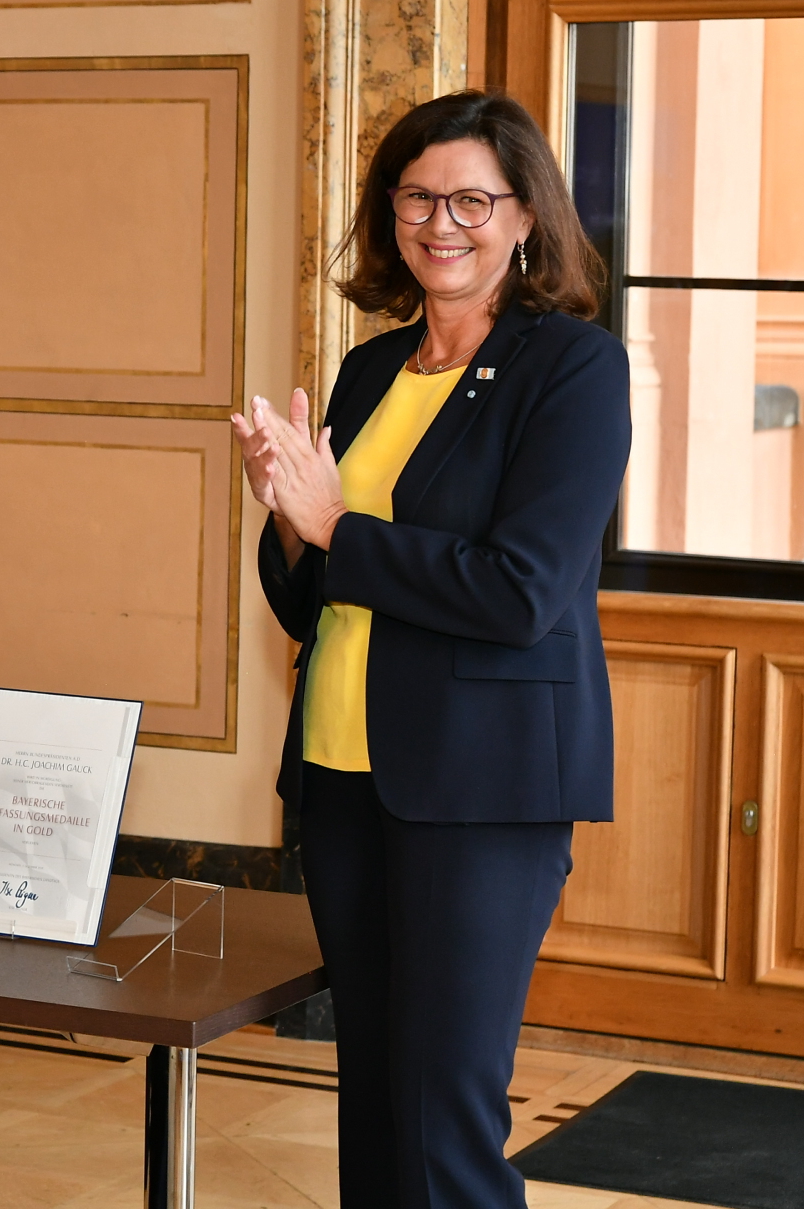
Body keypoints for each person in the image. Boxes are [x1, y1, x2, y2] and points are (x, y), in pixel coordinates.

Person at [232, 91, 630, 1207]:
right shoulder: (369, 373)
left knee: (444, 1112)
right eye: (416, 198)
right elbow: (314, 599)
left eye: (470, 201)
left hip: (481, 787)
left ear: (525, 215)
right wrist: (286, 517)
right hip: (343, 775)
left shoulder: (573, 368)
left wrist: (334, 526)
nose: (439, 223)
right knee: (375, 1095)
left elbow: (521, 591)